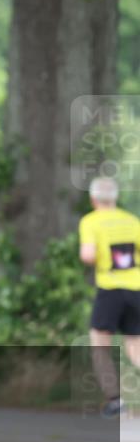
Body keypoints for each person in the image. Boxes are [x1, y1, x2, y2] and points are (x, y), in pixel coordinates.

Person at [79, 176, 140, 418]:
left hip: (110, 289)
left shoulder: (91, 221)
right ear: (114, 198)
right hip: (136, 289)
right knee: (135, 344)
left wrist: (101, 256)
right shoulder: (132, 220)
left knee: (100, 344)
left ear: (93, 199)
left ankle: (114, 399)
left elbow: (88, 255)